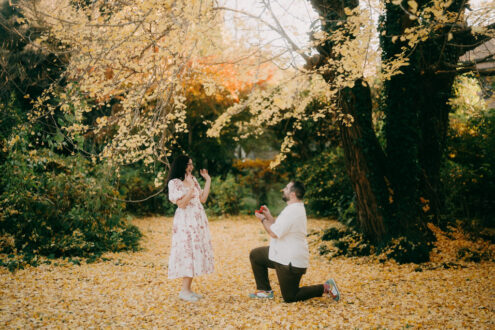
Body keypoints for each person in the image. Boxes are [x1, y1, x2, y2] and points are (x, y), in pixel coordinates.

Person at [249, 181, 341, 303]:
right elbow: (279, 228)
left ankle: (326, 287)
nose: (283, 189)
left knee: (290, 297)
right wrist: (269, 217)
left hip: (290, 262)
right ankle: (264, 291)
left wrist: (263, 220)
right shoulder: (293, 209)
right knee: (256, 255)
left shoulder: (292, 211)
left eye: (286, 188)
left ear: (292, 194)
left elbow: (273, 233)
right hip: (280, 254)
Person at [167, 155, 214, 302]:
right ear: (182, 165)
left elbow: (203, 199)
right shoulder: (174, 183)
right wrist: (190, 190)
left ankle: (188, 289)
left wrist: (208, 180)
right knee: (187, 251)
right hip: (185, 221)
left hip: (197, 220)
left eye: (192, 164)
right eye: (189, 164)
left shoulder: (193, 179)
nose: (191, 167)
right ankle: (184, 291)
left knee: (195, 252)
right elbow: (181, 204)